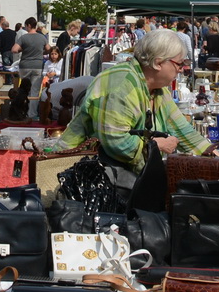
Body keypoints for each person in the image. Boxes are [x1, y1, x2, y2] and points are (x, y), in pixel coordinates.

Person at [57, 28, 208, 184]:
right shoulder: (121, 84)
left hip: (118, 179)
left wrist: (215, 157)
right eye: (179, 63)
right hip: (84, 179)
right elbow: (115, 141)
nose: (182, 69)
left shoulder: (157, 89)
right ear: (158, 63)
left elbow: (181, 129)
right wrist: (155, 145)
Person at [14, 18, 49, 119]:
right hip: (38, 65)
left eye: (25, 26)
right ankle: (32, 114)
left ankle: (21, 112)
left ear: (29, 25)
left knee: (23, 90)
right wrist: (41, 52)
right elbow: (49, 49)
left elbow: (14, 49)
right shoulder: (42, 37)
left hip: (25, 65)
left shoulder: (24, 37)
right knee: (35, 91)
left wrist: (23, 49)